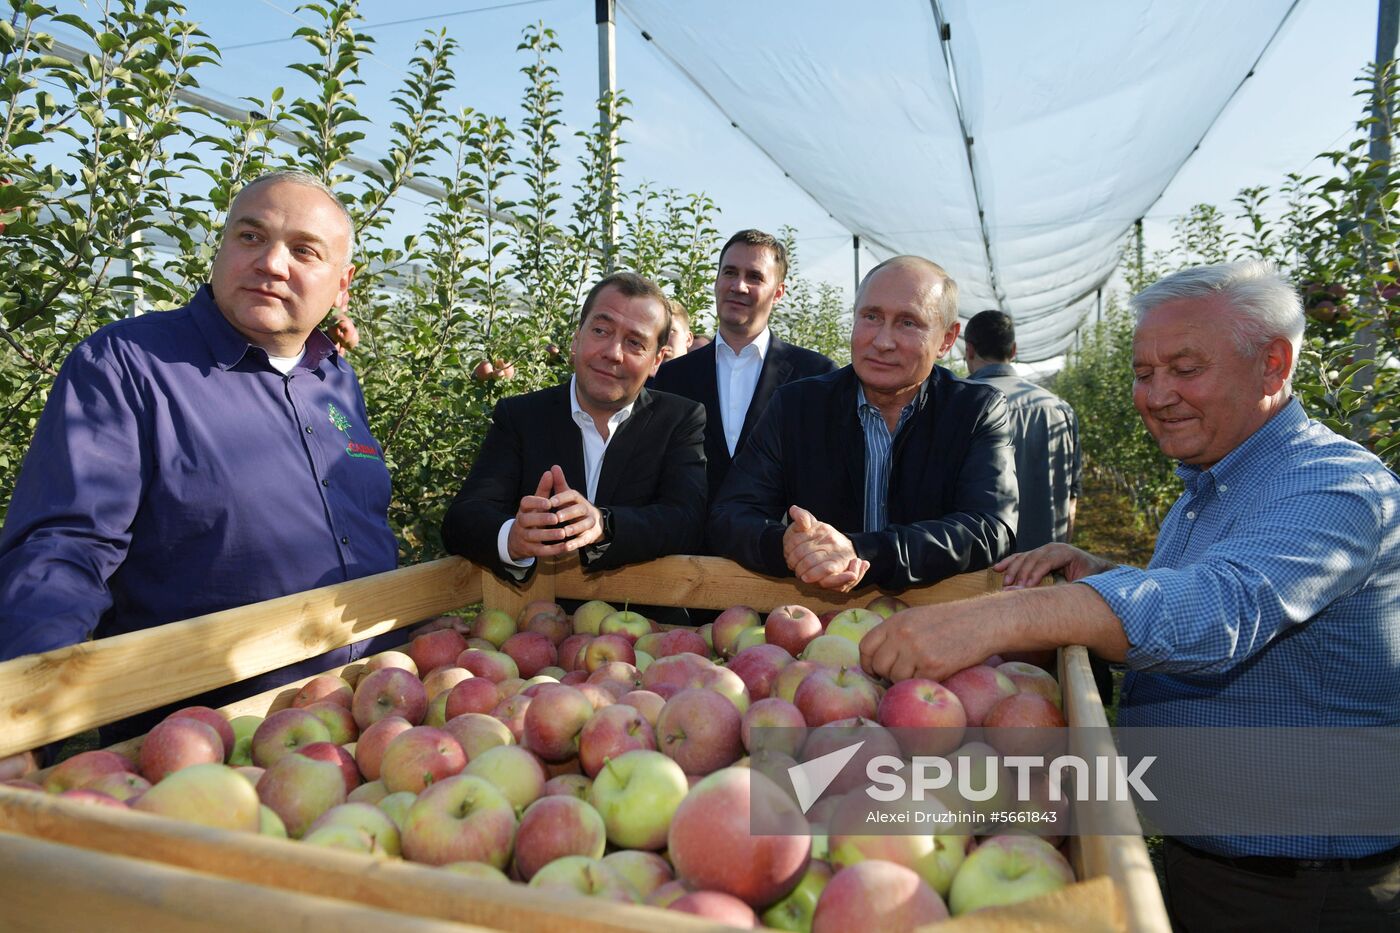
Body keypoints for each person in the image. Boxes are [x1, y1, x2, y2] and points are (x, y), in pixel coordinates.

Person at [860, 260, 1400, 930]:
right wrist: (1103, 568)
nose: (1156, 394)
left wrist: (996, 618)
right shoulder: (1213, 483)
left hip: (1301, 893)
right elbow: (1213, 581)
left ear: (1272, 364)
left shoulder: (1335, 486)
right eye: (1144, 373)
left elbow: (1223, 607)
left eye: (1184, 367)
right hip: (1215, 862)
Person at [0, 170, 400, 734]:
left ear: (342, 285)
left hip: (368, 717)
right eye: (251, 237)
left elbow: (361, 525)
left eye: (304, 251)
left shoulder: (335, 378)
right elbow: (64, 547)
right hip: (206, 742)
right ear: (221, 248)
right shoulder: (126, 366)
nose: (272, 264)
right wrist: (21, 713)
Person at [708, 255, 1018, 592]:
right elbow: (731, 513)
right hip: (817, 629)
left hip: (934, 626)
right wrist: (782, 543)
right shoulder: (797, 407)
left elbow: (990, 527)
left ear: (946, 339)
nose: (882, 341)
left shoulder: (975, 411)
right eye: (871, 317)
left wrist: (862, 552)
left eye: (908, 323)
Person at [441, 271, 707, 583]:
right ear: (576, 338)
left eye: (635, 342)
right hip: (535, 622)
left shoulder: (679, 419)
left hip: (649, 626)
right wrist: (513, 537)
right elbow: (463, 518)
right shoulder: (521, 416)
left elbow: (686, 519)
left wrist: (602, 524)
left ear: (657, 360)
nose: (613, 353)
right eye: (600, 330)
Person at [653, 229, 836, 501]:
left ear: (778, 293)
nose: (738, 286)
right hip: (688, 540)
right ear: (716, 281)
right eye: (729, 272)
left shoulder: (815, 375)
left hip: (776, 539)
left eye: (755, 277)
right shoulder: (672, 378)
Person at [963, 309, 1081, 549]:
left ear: (969, 350)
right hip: (1043, 566)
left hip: (977, 572)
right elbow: (1071, 496)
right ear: (1014, 350)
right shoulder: (1059, 409)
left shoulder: (956, 406)